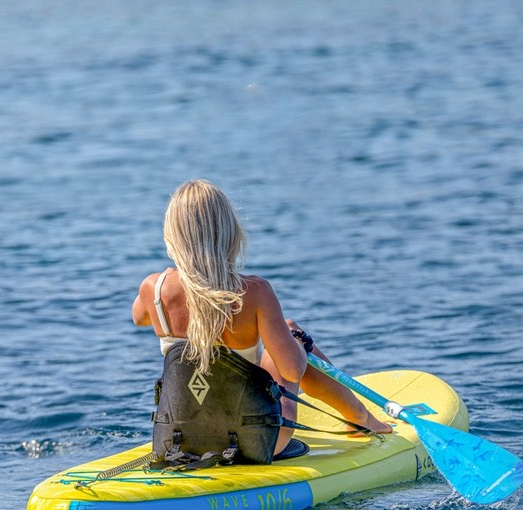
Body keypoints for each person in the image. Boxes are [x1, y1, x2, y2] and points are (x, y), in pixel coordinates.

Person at [132, 179, 392, 461]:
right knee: (292, 337)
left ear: (171, 235)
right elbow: (292, 372)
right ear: (229, 231)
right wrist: (294, 339)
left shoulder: (153, 289)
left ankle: (358, 415)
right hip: (255, 441)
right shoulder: (254, 293)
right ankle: (360, 417)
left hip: (181, 441)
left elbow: (140, 319)